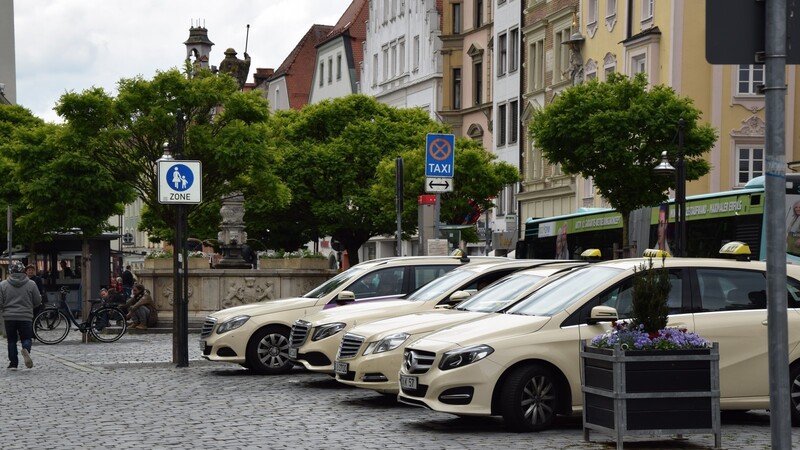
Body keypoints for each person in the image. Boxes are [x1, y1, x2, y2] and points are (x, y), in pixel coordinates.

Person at [0, 261, 42, 369]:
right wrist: (29, 307)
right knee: (26, 338)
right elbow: (37, 300)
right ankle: (26, 350)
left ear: (10, 271)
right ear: (23, 270)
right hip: (26, 316)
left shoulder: (3, 285)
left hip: (9, 317)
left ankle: (13, 363)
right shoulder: (31, 284)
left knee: (12, 340)